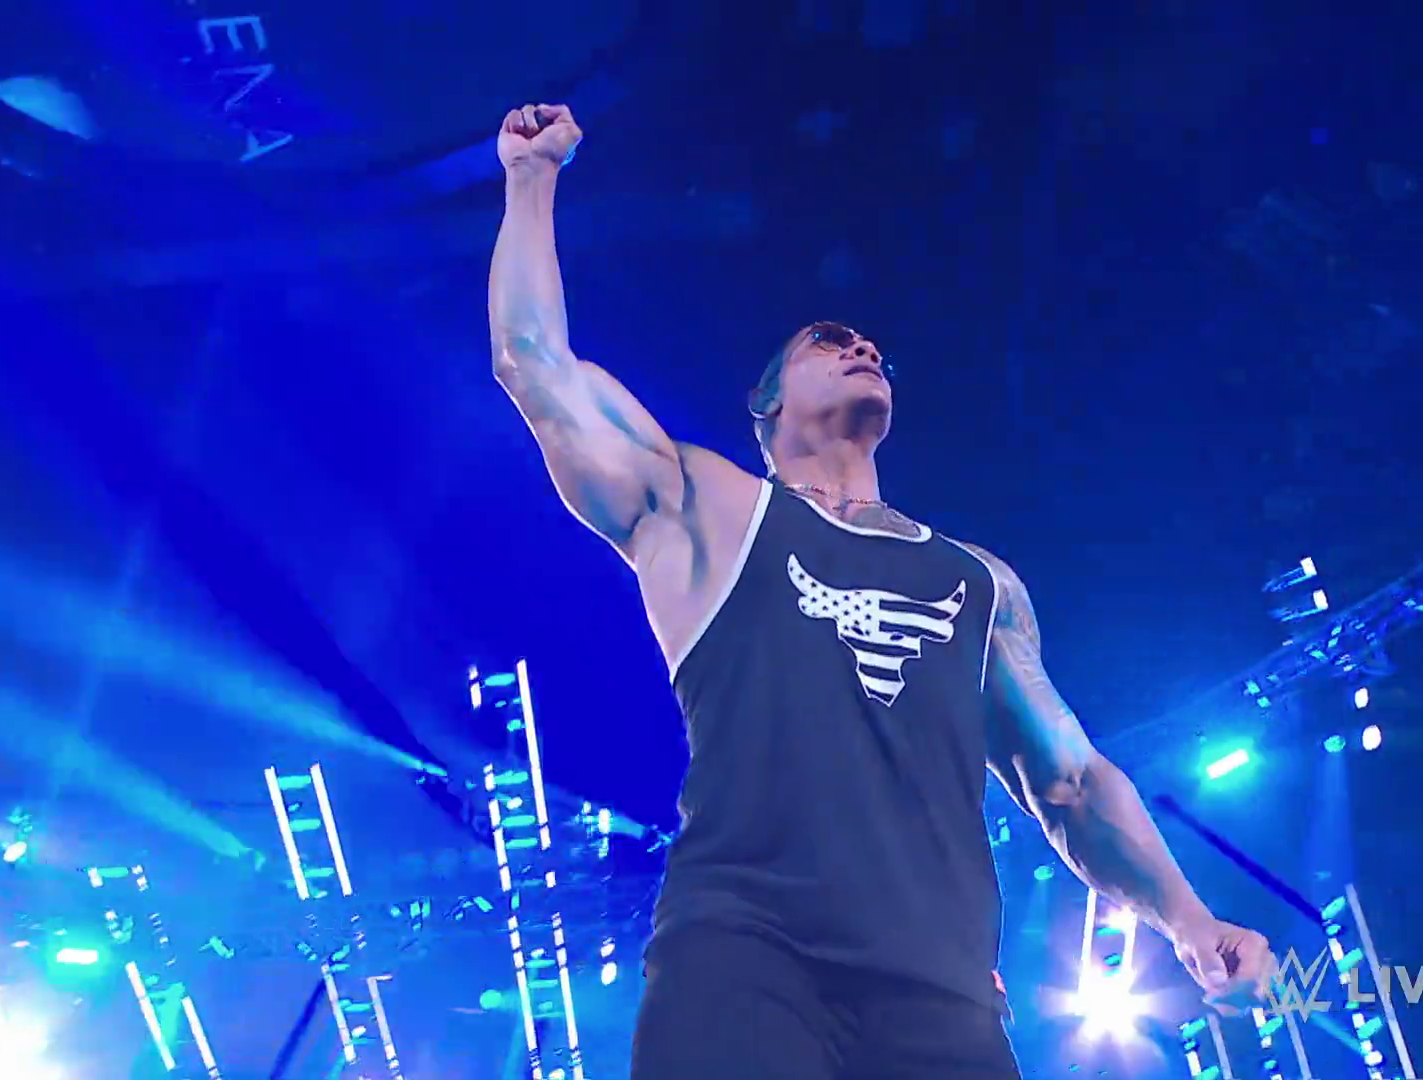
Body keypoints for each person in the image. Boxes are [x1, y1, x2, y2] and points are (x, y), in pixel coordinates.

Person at [488, 103, 1276, 1079]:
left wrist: (1189, 921)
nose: (861, 345)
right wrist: (532, 177)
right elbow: (535, 364)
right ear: (768, 406)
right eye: (829, 339)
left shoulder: (978, 582)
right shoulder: (708, 508)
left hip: (941, 991)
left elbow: (1070, 783)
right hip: (743, 957)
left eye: (870, 346)